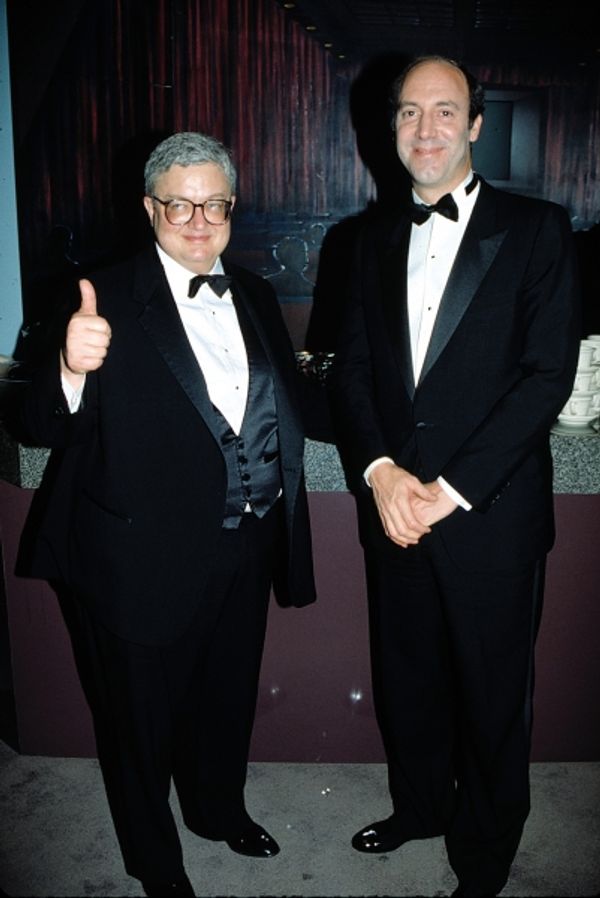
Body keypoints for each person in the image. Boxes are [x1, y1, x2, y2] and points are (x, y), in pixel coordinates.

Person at [15, 131, 316, 897]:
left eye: (213, 203)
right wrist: (67, 365)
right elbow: (38, 423)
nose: (196, 220)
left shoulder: (250, 293)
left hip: (244, 541)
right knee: (137, 725)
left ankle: (218, 810)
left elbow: (277, 406)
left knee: (226, 697)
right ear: (150, 208)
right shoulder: (100, 294)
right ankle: (155, 859)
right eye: (178, 203)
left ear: (231, 208)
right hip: (134, 557)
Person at [328, 56, 580, 897]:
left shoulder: (540, 230)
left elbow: (546, 376)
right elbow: (350, 375)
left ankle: (486, 849)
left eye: (445, 112)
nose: (425, 130)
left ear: (475, 125)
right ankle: (420, 808)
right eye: (408, 114)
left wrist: (452, 489)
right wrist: (379, 472)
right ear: (388, 128)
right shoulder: (358, 242)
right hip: (396, 510)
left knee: (491, 693)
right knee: (410, 682)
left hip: (489, 515)